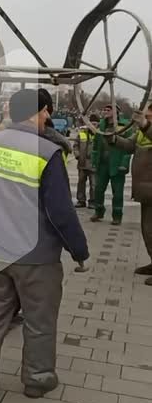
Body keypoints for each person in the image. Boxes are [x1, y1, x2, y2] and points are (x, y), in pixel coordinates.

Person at [0, 89, 89, 402]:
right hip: (36, 256)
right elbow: (60, 211)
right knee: (39, 319)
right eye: (46, 112)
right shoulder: (46, 152)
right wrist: (79, 250)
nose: (48, 117)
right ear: (39, 112)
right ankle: (37, 379)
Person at [109, 105, 152, 284]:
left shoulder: (146, 129)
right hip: (146, 190)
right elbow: (129, 146)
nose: (147, 116)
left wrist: (145, 125)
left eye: (150, 115)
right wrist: (113, 138)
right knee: (147, 229)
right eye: (147, 115)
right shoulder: (142, 133)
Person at [91, 103, 132, 225]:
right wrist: (94, 161)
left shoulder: (125, 125)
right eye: (105, 109)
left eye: (109, 109)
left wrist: (124, 163)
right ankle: (98, 211)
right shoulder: (101, 126)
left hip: (117, 164)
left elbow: (129, 147)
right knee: (98, 189)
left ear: (116, 112)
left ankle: (117, 216)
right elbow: (95, 145)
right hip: (103, 164)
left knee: (117, 192)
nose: (106, 111)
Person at [73, 114, 100, 209]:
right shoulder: (82, 133)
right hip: (82, 162)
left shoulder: (100, 134)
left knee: (94, 184)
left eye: (95, 124)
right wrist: (77, 155)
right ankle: (81, 200)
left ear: (98, 124)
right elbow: (76, 145)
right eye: (91, 123)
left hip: (94, 164)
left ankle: (93, 201)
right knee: (81, 183)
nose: (93, 125)